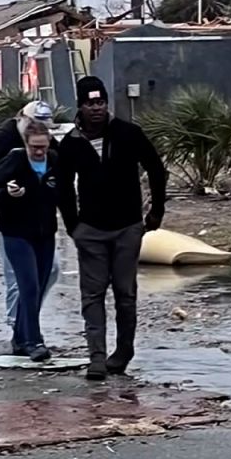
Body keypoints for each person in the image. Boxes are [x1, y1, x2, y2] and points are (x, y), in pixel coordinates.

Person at [56, 76, 167, 381]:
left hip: (128, 228)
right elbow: (63, 187)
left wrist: (156, 210)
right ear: (79, 106)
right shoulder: (71, 144)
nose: (96, 109)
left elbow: (157, 169)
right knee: (92, 296)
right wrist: (72, 225)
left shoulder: (128, 133)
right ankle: (97, 357)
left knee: (125, 294)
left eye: (101, 102)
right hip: (90, 230)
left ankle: (123, 352)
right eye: (90, 103)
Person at [0, 100, 61, 352]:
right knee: (20, 279)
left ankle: (25, 327)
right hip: (11, 221)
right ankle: (22, 332)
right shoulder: (6, 142)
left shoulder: (50, 150)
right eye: (36, 126)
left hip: (42, 226)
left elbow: (61, 180)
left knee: (48, 272)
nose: (40, 148)